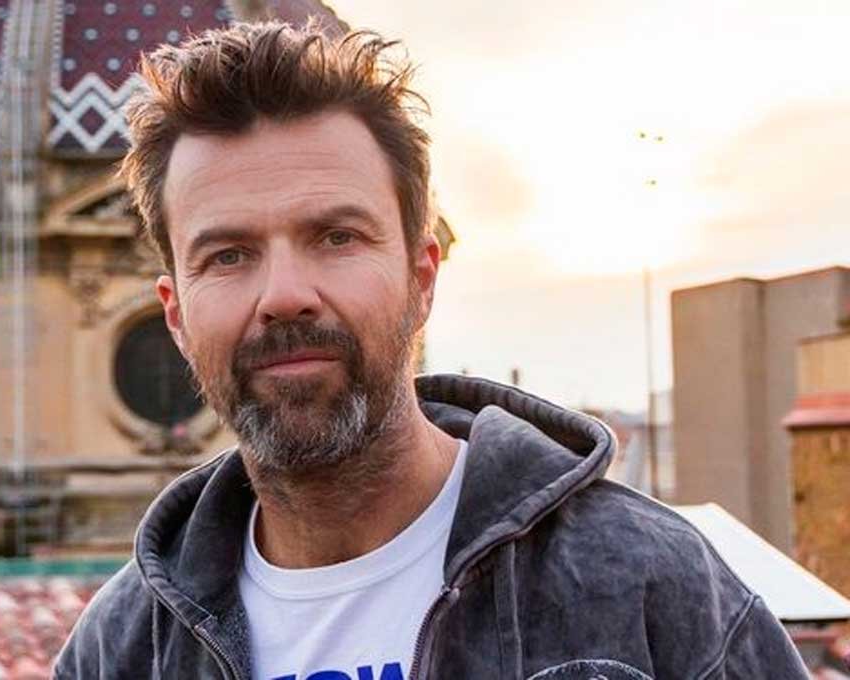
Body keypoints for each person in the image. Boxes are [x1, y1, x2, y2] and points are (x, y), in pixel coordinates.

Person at [53, 21, 810, 680]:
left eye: (336, 237)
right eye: (227, 255)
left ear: (422, 279)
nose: (284, 294)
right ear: (176, 314)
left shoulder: (651, 586)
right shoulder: (118, 651)